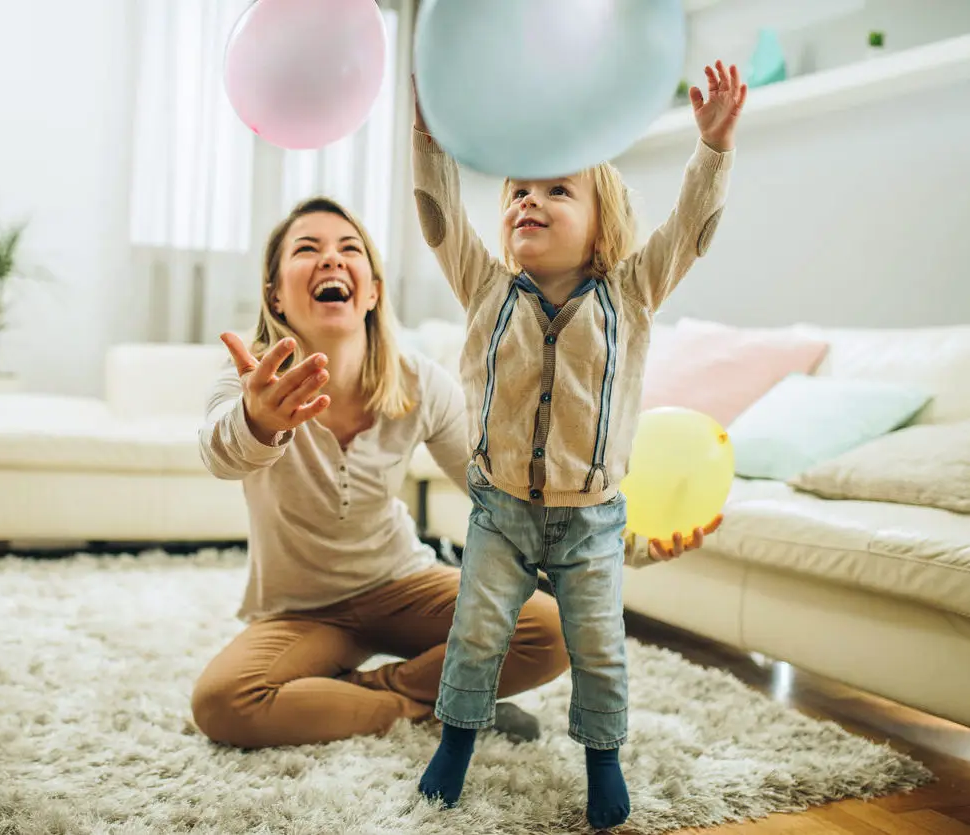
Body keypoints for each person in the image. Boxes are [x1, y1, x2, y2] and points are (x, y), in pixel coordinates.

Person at [412, 61, 746, 830]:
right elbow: (436, 214)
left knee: (600, 648)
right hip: (499, 510)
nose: (529, 198)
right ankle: (455, 743)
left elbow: (690, 228)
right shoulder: (484, 286)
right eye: (518, 192)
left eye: (557, 189)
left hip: (592, 518)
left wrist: (714, 149)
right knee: (476, 632)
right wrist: (426, 134)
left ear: (603, 223)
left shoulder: (630, 294)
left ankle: (602, 759)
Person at [191, 196, 573, 749]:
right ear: (275, 292)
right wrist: (258, 421)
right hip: (301, 611)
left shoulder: (420, 381)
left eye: (349, 249)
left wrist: (601, 533)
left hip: (403, 584)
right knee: (223, 704)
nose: (330, 260)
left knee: (551, 630)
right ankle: (430, 707)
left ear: (371, 290)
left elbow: (492, 484)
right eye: (307, 249)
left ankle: (371, 690)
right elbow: (221, 456)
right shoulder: (248, 380)